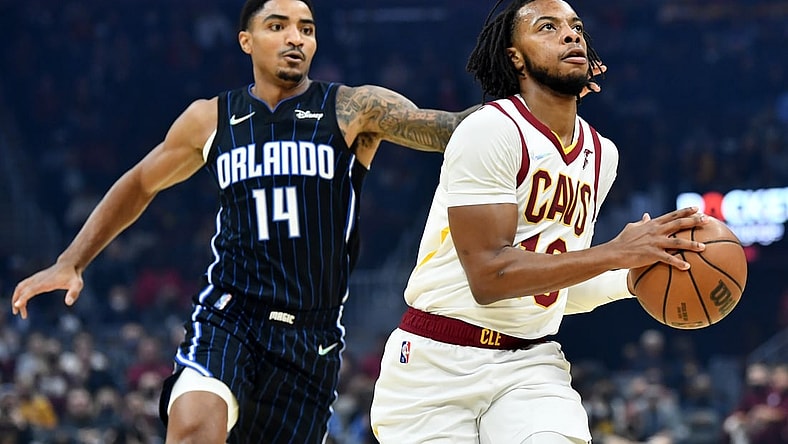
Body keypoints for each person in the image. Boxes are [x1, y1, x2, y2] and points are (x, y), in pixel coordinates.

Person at [10, 0, 484, 442]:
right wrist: (71, 261)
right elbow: (139, 184)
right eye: (277, 27)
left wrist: (531, 106)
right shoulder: (210, 118)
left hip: (311, 337)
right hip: (231, 315)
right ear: (246, 40)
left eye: (306, 29)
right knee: (194, 428)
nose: (295, 38)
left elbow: (448, 128)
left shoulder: (352, 108)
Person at [369, 0, 709, 443]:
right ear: (515, 56)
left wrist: (636, 275)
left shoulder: (602, 154)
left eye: (577, 27)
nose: (570, 35)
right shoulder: (490, 130)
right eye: (547, 27)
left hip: (529, 365)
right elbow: (491, 277)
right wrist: (613, 253)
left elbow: (555, 291)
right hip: (436, 365)